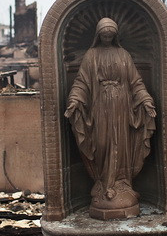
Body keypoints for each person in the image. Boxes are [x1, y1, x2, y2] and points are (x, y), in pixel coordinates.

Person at [64, 18, 156, 219]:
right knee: (102, 143)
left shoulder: (123, 55)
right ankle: (103, 182)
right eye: (104, 35)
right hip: (100, 107)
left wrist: (146, 100)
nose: (107, 38)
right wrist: (74, 100)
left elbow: (136, 82)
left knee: (121, 145)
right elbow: (82, 82)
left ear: (115, 35)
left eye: (110, 35)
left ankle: (122, 183)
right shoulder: (91, 55)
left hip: (122, 109)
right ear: (98, 35)